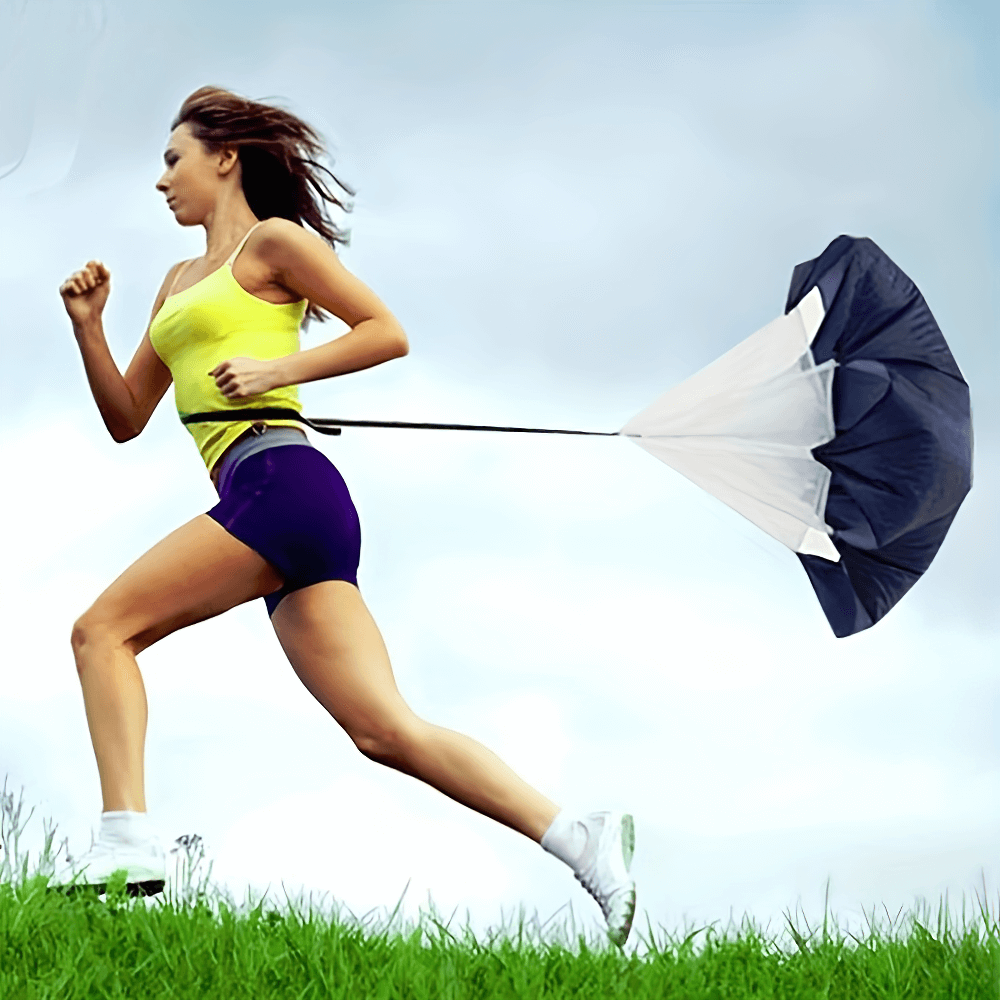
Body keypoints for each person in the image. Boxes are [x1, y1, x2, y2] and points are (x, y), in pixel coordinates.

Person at [55, 86, 635, 946]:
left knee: (102, 632)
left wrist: (270, 371)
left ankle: (126, 844)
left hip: (283, 481)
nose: (161, 181)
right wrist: (90, 329)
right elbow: (126, 418)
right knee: (384, 729)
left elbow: (386, 330)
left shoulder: (273, 243)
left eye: (173, 159)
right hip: (280, 504)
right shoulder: (174, 285)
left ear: (225, 159)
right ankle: (581, 839)